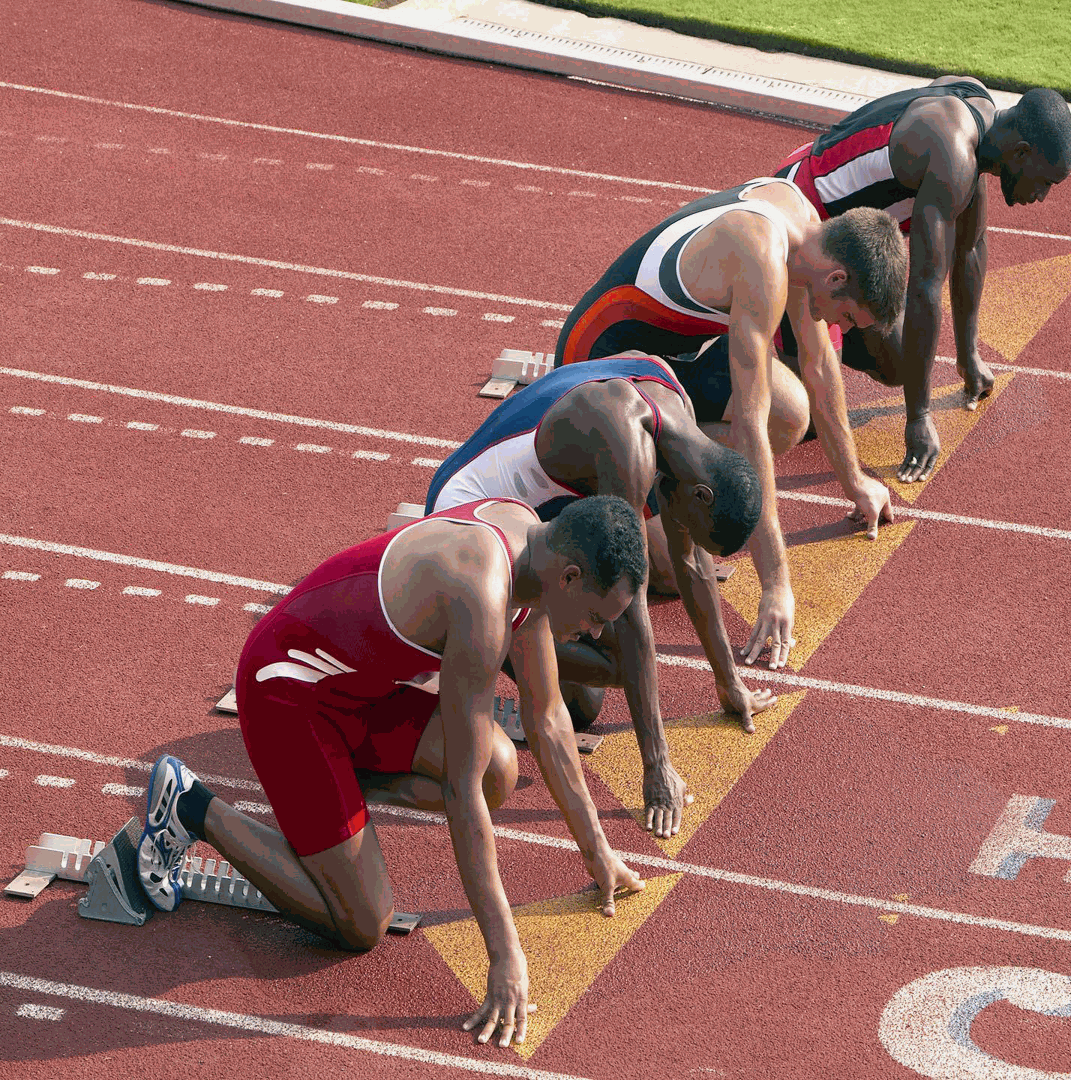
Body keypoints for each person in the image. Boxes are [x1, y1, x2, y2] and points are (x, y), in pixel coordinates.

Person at [137, 496, 648, 1050]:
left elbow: (548, 720)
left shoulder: (536, 550)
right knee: (361, 924)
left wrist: (600, 854)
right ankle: (191, 805)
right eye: (599, 617)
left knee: (500, 768)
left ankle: (328, 803)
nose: (597, 635)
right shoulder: (480, 594)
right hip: (288, 692)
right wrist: (504, 953)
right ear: (570, 577)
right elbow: (460, 791)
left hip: (362, 691)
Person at [554, 176, 907, 670]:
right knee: (670, 571)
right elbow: (748, 425)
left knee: (793, 412)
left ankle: (663, 458)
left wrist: (856, 481)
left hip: (671, 358)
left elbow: (821, 366)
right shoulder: (762, 258)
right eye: (848, 317)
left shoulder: (809, 234)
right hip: (599, 361)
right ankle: (638, 465)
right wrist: (776, 584)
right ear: (838, 279)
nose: (844, 329)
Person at [424, 352, 777, 839]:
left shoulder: (679, 417)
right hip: (466, 515)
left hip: (531, 519)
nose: (695, 544)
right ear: (702, 496)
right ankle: (485, 642)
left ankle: (523, 648)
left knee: (592, 697)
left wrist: (728, 682)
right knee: (616, 663)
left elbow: (693, 564)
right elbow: (631, 601)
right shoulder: (626, 445)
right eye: (702, 530)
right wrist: (656, 768)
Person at [776, 81, 1071, 482]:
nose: (1040, 197)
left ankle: (812, 336)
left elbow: (970, 247)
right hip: (800, 221)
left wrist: (968, 356)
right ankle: (761, 337)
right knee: (803, 420)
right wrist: (918, 417)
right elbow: (925, 286)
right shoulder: (952, 154)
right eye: (1045, 182)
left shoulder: (979, 116)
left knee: (900, 357)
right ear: (1020, 152)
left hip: (841, 238)